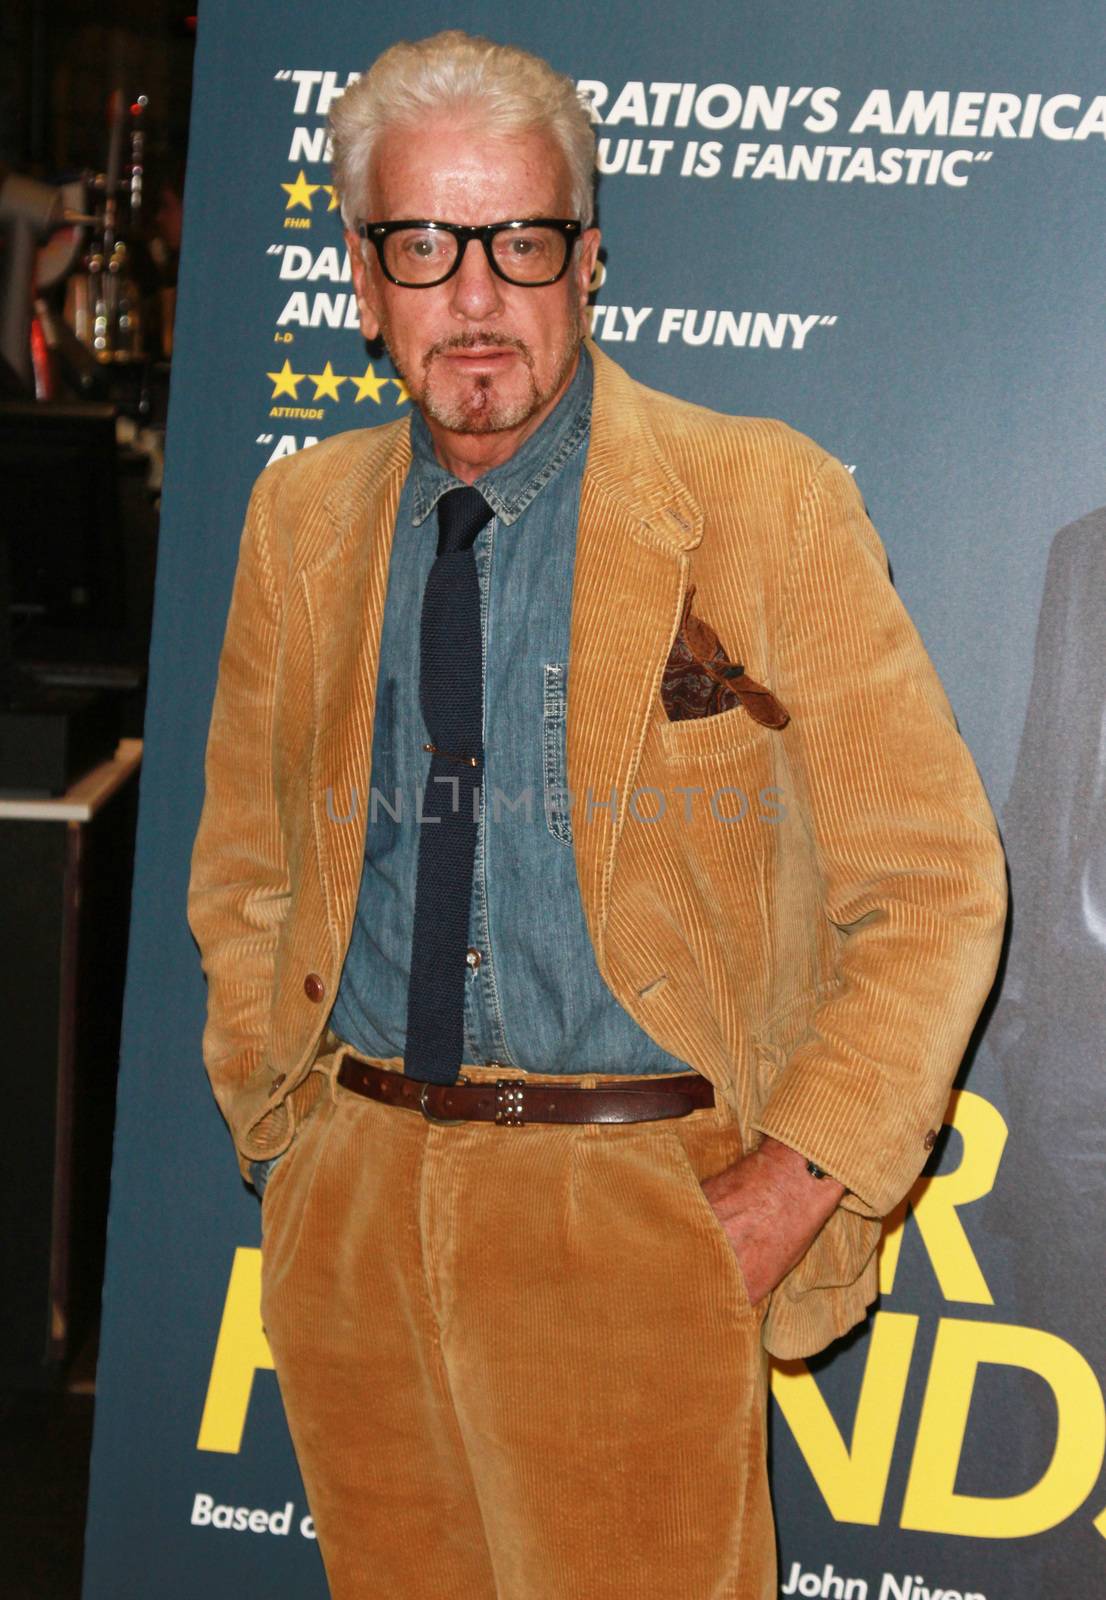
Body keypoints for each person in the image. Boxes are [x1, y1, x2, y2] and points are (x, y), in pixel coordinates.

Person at [188, 30, 1007, 1600]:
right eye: (424, 246)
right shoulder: (296, 523)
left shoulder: (757, 498)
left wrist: (784, 1188)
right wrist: (286, 1139)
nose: (476, 296)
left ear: (588, 262)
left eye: (522, 241)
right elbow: (245, 864)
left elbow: (933, 886)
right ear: (364, 281)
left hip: (631, 1215)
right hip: (352, 1209)